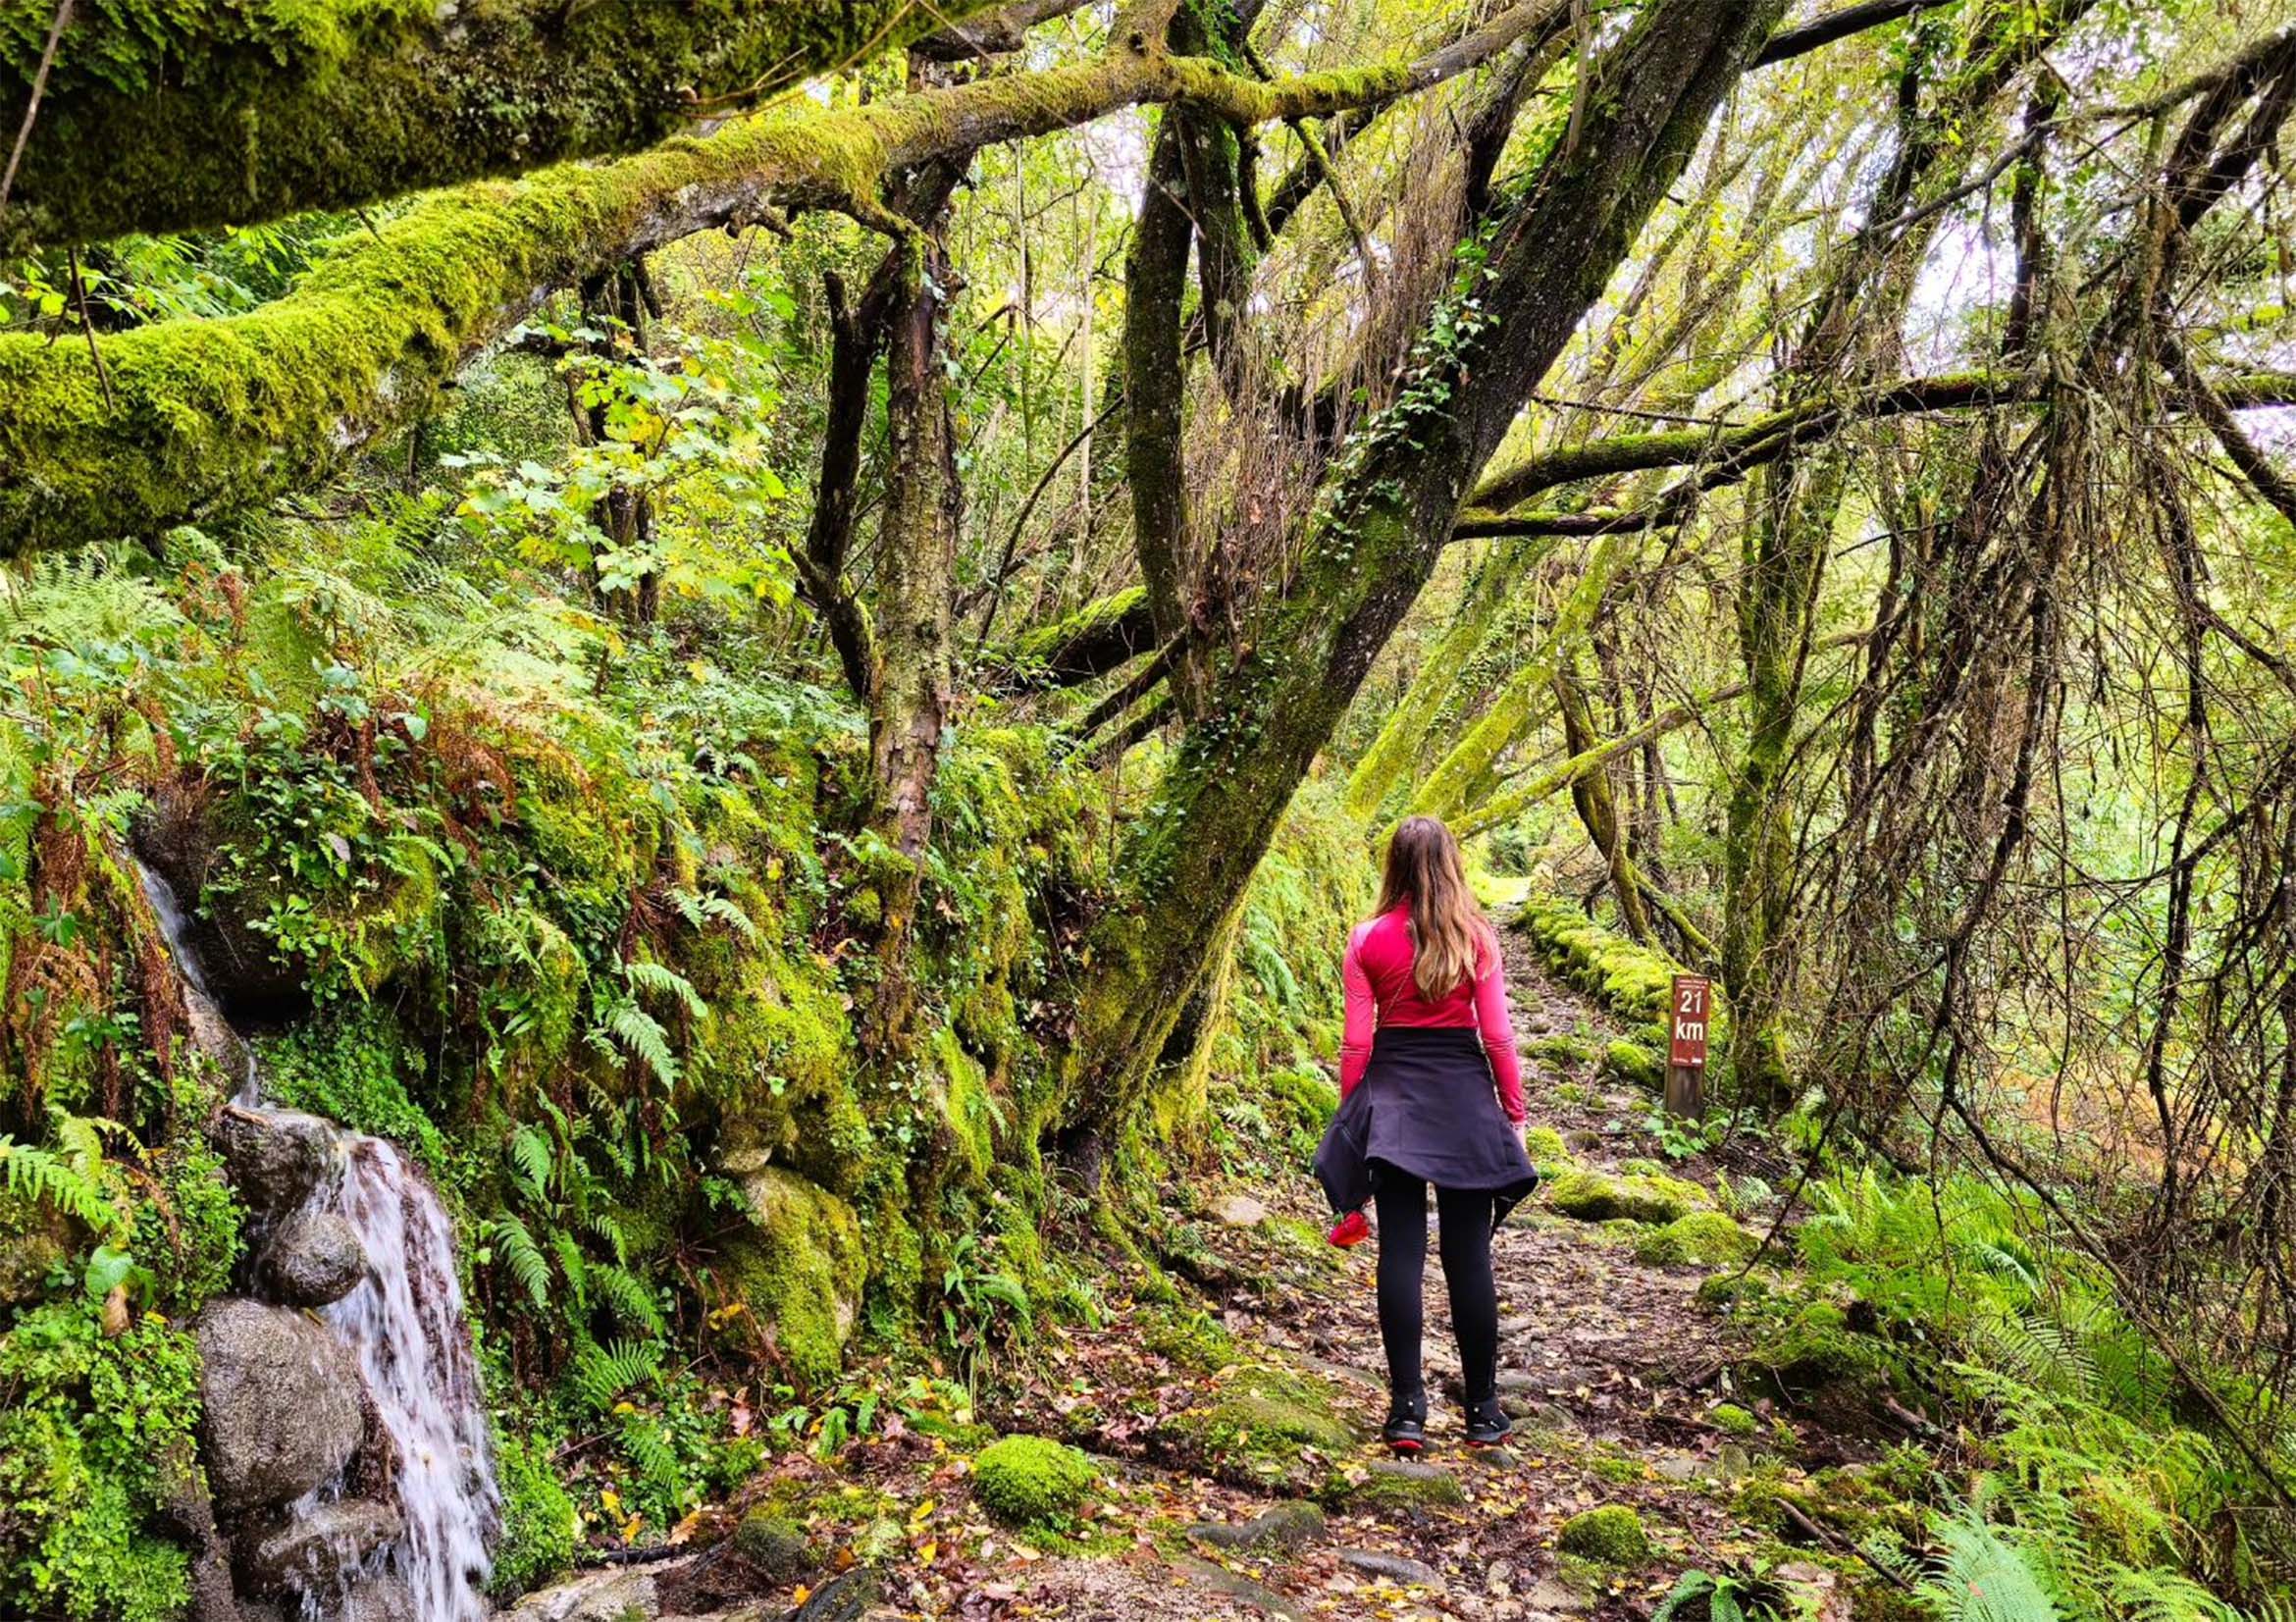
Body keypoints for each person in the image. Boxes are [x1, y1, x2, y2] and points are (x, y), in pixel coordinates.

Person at [1313, 815, 1538, 1453]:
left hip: (1396, 1098)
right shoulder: (1477, 938)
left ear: (1394, 866)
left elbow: (1358, 1039)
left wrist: (1353, 1110)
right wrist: (1514, 1113)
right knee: (1469, 1256)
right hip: (1465, 1096)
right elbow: (1496, 1035)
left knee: (1401, 1253)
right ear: (1450, 864)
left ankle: (1407, 1410)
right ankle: (1483, 1411)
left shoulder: (1366, 939)